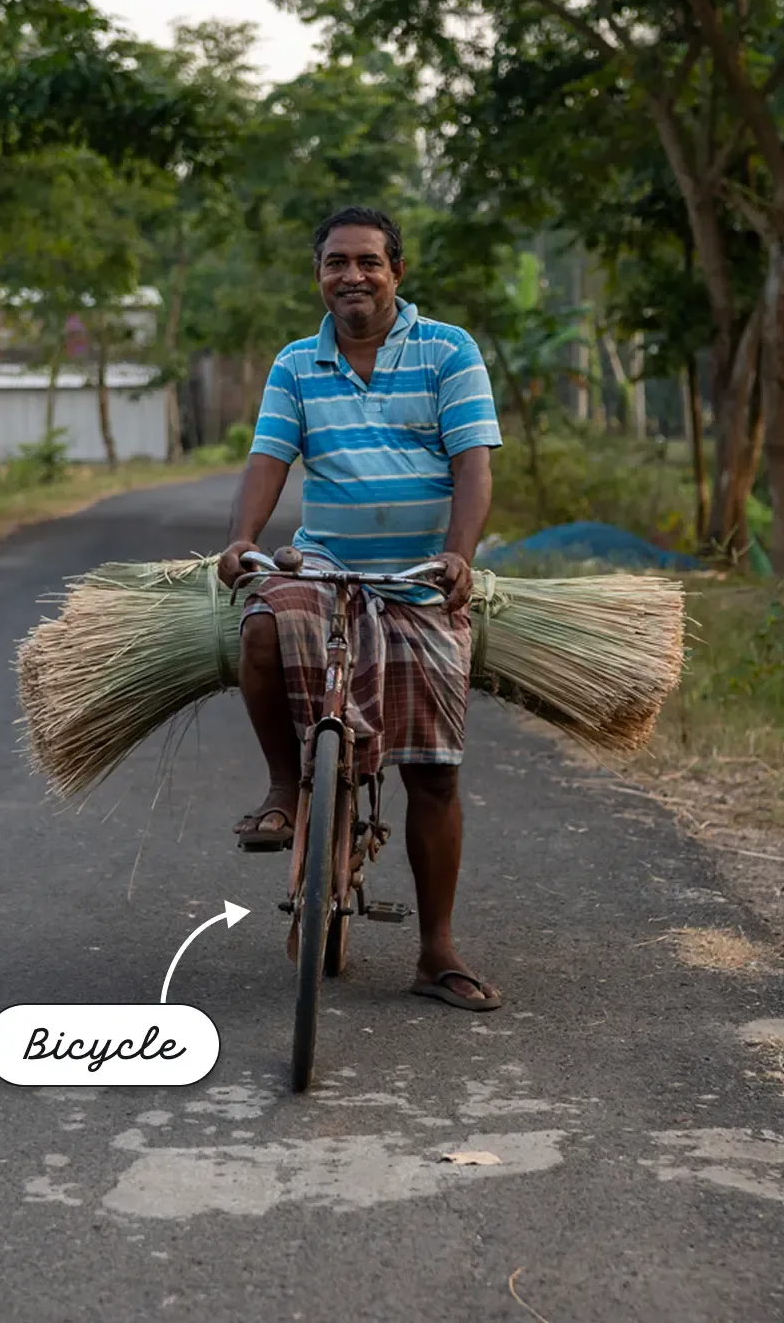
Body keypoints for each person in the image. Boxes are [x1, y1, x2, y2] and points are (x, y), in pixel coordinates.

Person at [216, 206, 504, 1012]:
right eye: (336, 262)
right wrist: (241, 538)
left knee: (434, 774)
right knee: (265, 626)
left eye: (369, 262)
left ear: (396, 272)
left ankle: (436, 951)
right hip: (326, 567)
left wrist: (460, 556)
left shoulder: (448, 351)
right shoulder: (295, 364)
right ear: (320, 276)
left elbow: (473, 464)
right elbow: (271, 456)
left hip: (417, 581)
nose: (352, 276)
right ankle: (283, 787)